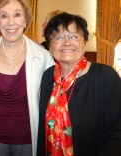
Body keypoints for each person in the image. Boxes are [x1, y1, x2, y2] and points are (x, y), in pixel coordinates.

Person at [0, 0, 55, 156]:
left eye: (17, 14)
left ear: (25, 20)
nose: (10, 22)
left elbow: (54, 101)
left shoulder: (43, 56)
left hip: (30, 139)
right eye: (4, 16)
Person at [37, 12, 121, 155]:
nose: (67, 42)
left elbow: (117, 133)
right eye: (59, 37)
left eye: (74, 36)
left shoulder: (106, 77)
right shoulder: (47, 76)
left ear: (84, 41)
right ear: (49, 45)